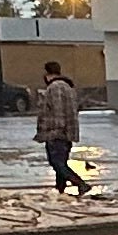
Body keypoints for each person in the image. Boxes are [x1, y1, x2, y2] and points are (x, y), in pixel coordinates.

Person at [32, 61, 93, 196]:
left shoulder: (54, 88)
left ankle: (80, 184)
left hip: (57, 132)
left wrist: (55, 129)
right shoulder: (68, 88)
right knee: (61, 162)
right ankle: (60, 190)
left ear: (47, 73)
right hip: (68, 131)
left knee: (57, 163)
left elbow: (57, 109)